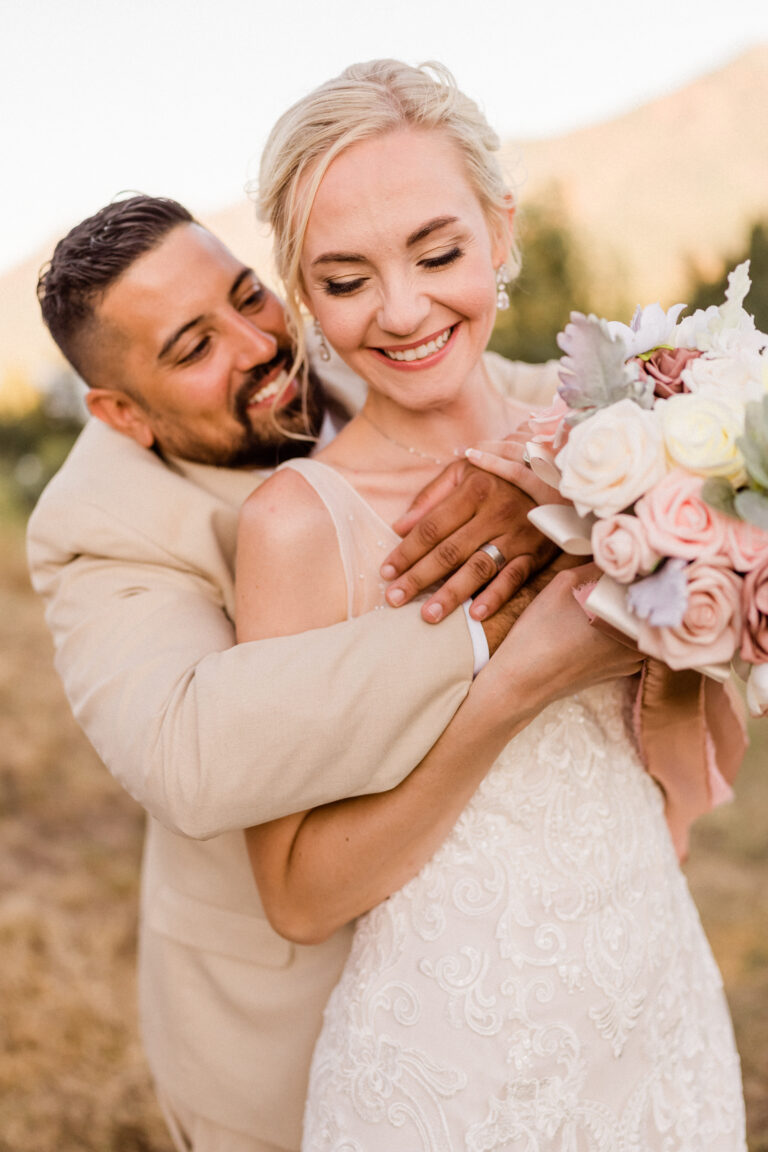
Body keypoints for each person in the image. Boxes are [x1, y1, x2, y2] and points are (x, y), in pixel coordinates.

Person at [238, 60, 747, 1149]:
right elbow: (297, 896)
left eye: (438, 252)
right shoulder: (297, 527)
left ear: (501, 231)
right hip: (453, 1067)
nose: (405, 308)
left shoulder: (621, 445)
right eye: (345, 279)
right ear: (300, 292)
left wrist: (682, 614)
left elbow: (680, 774)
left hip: (655, 1011)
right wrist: (518, 682)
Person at [26, 194, 562, 1152]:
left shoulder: (367, 374)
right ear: (119, 412)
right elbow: (190, 751)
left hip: (499, 949)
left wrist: (567, 472)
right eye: (193, 348)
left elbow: (568, 400)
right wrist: (508, 602)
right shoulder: (98, 527)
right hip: (282, 1023)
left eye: (248, 297)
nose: (260, 344)